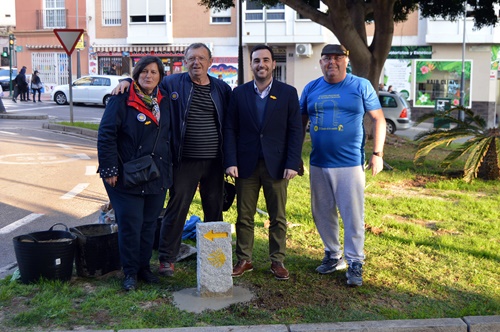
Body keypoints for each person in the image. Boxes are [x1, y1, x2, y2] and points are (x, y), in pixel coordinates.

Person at [113, 43, 232, 277]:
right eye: (191, 58)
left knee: (214, 208)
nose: (196, 62)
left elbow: (228, 124)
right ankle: (167, 257)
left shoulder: (222, 89)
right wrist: (127, 81)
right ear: (185, 61)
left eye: (201, 58)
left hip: (215, 161)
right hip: (183, 160)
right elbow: (147, 83)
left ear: (210, 61)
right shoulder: (172, 83)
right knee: (177, 209)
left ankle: (215, 255)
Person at [300, 44, 386, 287]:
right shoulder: (311, 88)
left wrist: (377, 153)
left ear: (346, 61)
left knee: (352, 214)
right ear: (321, 63)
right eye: (327, 58)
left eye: (338, 58)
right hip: (318, 162)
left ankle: (356, 261)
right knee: (322, 212)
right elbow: (300, 121)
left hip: (349, 163)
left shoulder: (360, 86)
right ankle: (333, 254)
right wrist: (294, 155)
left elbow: (378, 118)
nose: (332, 63)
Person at [224, 44, 302, 280]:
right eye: (257, 60)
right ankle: (244, 259)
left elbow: (296, 131)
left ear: (273, 64)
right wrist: (230, 160)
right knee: (243, 216)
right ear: (251, 64)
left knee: (277, 216)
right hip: (245, 165)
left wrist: (292, 162)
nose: (261, 64)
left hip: (277, 165)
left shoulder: (288, 93)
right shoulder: (239, 93)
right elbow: (230, 129)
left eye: (266, 60)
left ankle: (277, 261)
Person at [97, 55, 173, 291]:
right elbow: (106, 134)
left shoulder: (165, 100)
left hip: (155, 175)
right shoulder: (121, 98)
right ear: (136, 75)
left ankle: (143, 268)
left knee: (149, 224)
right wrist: (109, 169)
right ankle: (129, 273)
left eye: (154, 72)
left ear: (160, 76)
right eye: (144, 72)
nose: (148, 76)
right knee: (131, 225)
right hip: (125, 175)